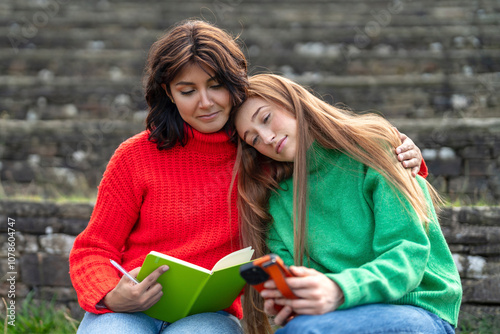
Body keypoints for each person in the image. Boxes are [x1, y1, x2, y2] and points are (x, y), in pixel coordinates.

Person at [69, 19, 425, 333]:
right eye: (187, 91)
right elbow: (92, 248)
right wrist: (111, 294)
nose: (205, 102)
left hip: (208, 314)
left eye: (215, 85)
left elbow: (330, 161)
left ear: (233, 81)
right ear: (168, 93)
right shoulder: (135, 156)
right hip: (130, 306)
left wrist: (402, 153)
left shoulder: (260, 152)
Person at [232, 74, 462, 334]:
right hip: (336, 319)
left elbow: (408, 255)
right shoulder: (277, 199)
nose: (267, 138)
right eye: (253, 140)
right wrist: (293, 298)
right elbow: (297, 279)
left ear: (293, 101)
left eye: (266, 118)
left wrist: (339, 290)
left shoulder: (374, 148)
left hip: (419, 309)